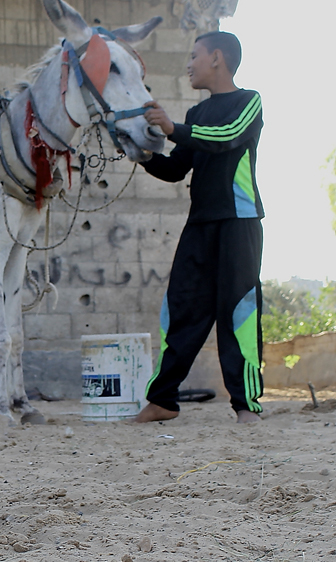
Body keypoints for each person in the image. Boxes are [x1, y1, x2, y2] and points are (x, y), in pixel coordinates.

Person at [135, 31, 264, 424]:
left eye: (195, 55)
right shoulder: (195, 114)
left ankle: (246, 406)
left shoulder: (249, 101)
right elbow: (177, 169)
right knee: (180, 309)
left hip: (239, 223)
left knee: (237, 312)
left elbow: (225, 138)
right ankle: (162, 401)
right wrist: (141, 153)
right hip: (200, 224)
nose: (188, 63)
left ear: (217, 58)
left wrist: (173, 128)